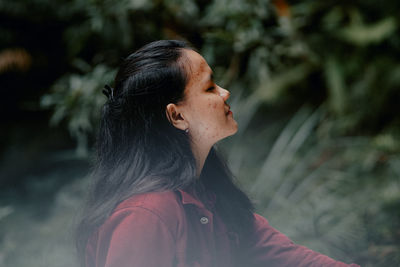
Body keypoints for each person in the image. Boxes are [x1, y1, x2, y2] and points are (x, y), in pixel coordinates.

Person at [76, 40, 360, 267]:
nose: (224, 92)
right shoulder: (146, 215)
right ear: (177, 117)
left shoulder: (209, 192)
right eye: (210, 87)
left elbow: (287, 257)